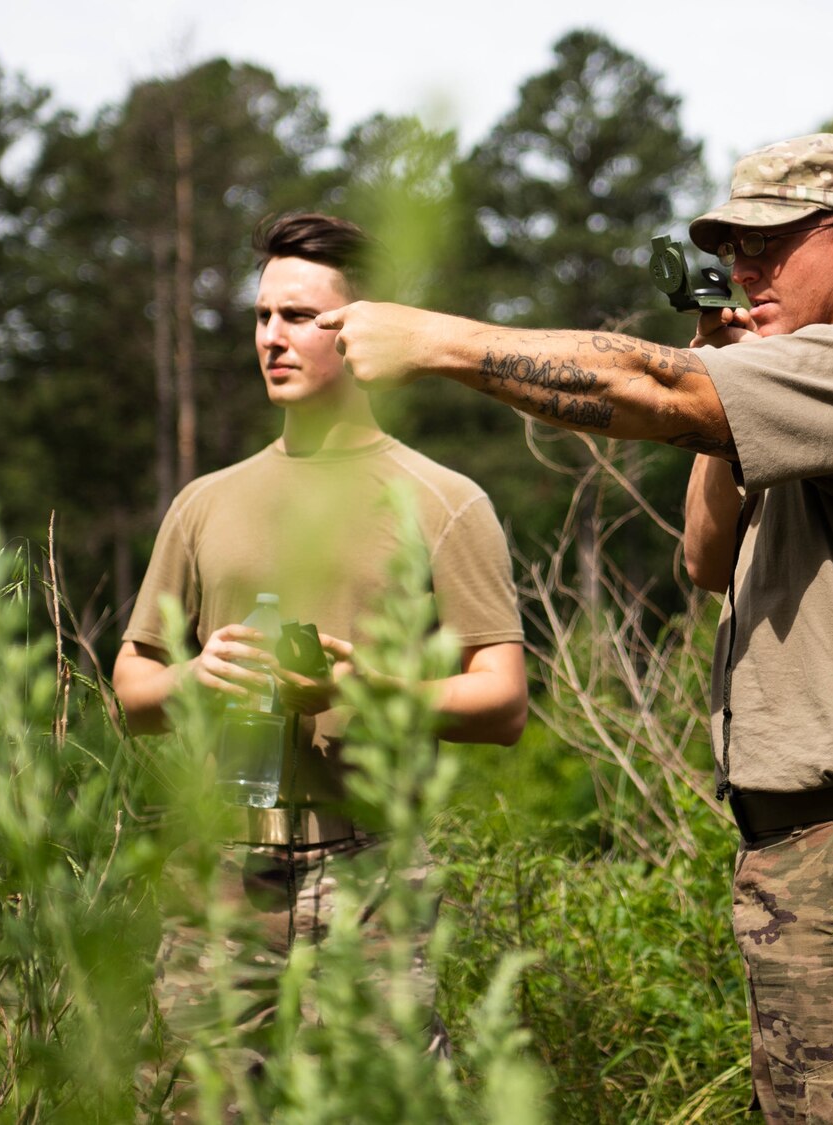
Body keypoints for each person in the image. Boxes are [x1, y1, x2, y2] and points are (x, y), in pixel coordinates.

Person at [319, 134, 833, 1123]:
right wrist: (728, 390)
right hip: (821, 867)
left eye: (770, 247)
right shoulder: (826, 399)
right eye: (731, 250)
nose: (745, 271)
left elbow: (650, 392)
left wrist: (436, 343)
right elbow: (705, 559)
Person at [112, 212, 528, 1112]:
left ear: (361, 326)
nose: (272, 338)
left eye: (299, 316)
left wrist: (360, 689)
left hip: (370, 864)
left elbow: (503, 702)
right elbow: (132, 687)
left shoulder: (443, 501)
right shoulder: (203, 503)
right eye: (262, 317)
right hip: (219, 867)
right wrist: (196, 677)